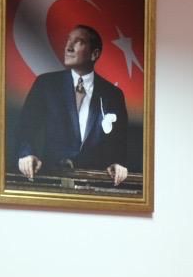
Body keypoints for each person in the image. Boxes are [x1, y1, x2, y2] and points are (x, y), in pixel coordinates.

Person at [9, 24, 131, 187]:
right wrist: (27, 154)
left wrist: (118, 163)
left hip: (94, 184)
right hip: (51, 180)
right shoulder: (46, 84)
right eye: (68, 41)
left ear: (95, 54)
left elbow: (120, 142)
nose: (69, 47)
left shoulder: (113, 94)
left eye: (79, 42)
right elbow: (25, 128)